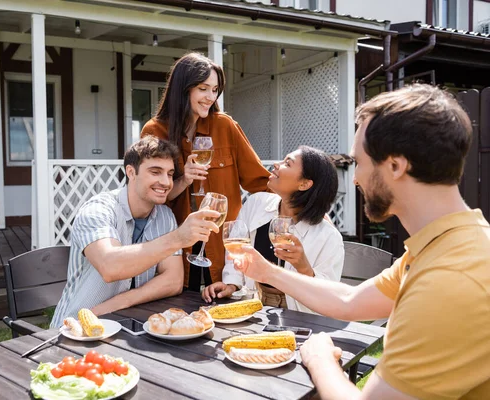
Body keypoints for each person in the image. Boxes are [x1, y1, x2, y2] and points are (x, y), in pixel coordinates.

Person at [233, 84, 490, 399]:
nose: (354, 179)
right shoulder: (443, 246)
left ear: (395, 166)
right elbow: (349, 301)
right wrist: (268, 272)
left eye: (359, 163)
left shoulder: (451, 279)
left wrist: (320, 360)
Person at [50, 136, 220, 327]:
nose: (165, 182)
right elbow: (110, 266)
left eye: (170, 174)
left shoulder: (165, 216)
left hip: (127, 325)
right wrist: (179, 238)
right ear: (131, 172)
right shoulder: (98, 210)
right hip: (73, 330)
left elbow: (173, 281)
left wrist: (121, 302)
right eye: (155, 172)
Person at [140, 52, 270, 291]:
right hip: (175, 250)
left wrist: (302, 203)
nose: (210, 97)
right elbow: (152, 196)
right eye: (203, 88)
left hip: (221, 250)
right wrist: (183, 178)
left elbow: (259, 180)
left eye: (215, 90)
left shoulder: (225, 126)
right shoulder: (155, 130)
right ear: (183, 88)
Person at [202, 146, 344, 312]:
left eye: (287, 164)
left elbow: (329, 297)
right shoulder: (256, 204)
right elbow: (236, 251)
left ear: (304, 184)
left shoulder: (329, 237)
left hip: (299, 315)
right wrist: (232, 284)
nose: (277, 164)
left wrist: (304, 268)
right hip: (253, 305)